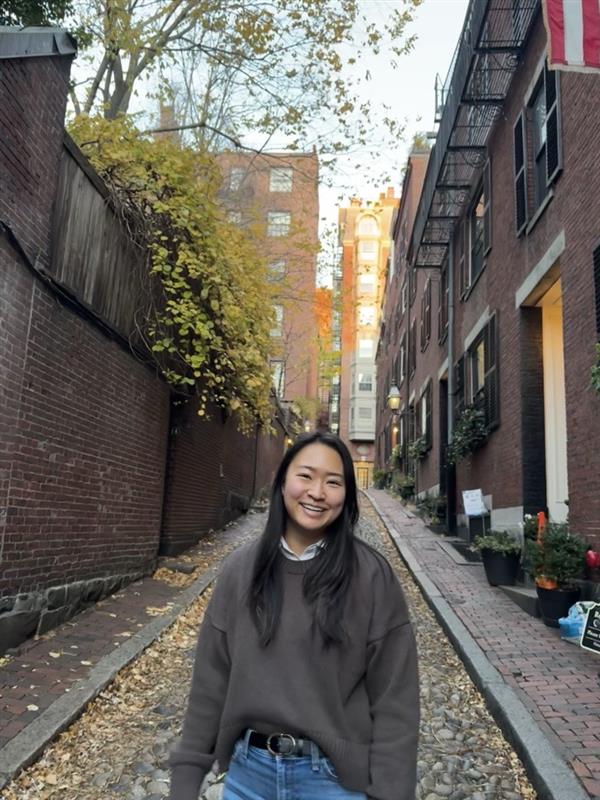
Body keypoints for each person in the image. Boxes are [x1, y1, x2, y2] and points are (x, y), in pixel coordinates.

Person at [169, 431, 419, 800]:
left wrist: (390, 791)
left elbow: (395, 698)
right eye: (305, 475)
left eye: (333, 482)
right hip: (247, 778)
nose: (317, 492)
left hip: (332, 783)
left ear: (347, 495)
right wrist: (186, 781)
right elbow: (210, 683)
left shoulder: (370, 576)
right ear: (283, 480)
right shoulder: (241, 570)